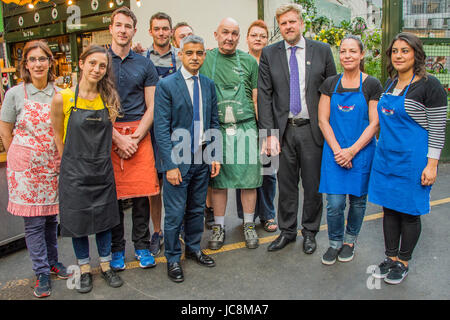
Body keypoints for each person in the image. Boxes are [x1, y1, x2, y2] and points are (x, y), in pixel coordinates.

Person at [369, 32, 447, 284]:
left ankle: (403, 261)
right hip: (386, 158)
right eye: (395, 51)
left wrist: (432, 164)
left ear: (416, 54)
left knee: (409, 213)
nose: (399, 55)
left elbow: (437, 128)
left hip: (413, 161)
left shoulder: (430, 85)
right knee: (389, 209)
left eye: (405, 50)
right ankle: (390, 257)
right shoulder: (391, 83)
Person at [258, 3, 337, 253]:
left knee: (313, 185)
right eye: (283, 23)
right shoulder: (269, 54)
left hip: (313, 129)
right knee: (286, 185)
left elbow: (331, 91)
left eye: (292, 21)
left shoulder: (322, 51)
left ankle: (310, 232)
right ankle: (288, 232)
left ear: (301, 23)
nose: (288, 26)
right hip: (283, 131)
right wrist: (269, 135)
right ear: (279, 27)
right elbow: (264, 95)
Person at [0, 40, 71, 298]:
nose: (38, 64)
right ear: (26, 65)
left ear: (50, 62)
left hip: (52, 165)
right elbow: (5, 130)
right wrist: (20, 157)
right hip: (26, 170)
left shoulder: (60, 92)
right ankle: (41, 270)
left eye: (43, 59)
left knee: (52, 219)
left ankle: (53, 262)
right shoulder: (15, 94)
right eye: (33, 60)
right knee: (33, 223)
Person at [51, 45, 124, 294]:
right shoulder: (64, 98)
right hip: (74, 172)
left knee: (104, 220)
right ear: (81, 63)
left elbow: (107, 132)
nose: (96, 69)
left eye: (102, 66)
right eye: (92, 63)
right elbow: (57, 135)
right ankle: (83, 268)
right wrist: (68, 164)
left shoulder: (109, 99)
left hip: (102, 170)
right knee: (77, 221)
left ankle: (105, 265)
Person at [154, 35, 221, 282]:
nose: (195, 57)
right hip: (177, 159)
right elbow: (161, 129)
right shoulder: (166, 85)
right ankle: (172, 258)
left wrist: (214, 154)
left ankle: (193, 249)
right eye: (190, 52)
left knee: (196, 209)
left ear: (204, 55)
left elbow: (213, 121)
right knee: (174, 213)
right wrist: (169, 165)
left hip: (202, 156)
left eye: (200, 53)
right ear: (180, 54)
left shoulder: (208, 84)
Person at [317, 35, 382, 265]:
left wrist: (352, 151)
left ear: (361, 54)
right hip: (334, 153)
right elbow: (323, 120)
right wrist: (338, 151)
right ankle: (334, 242)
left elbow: (375, 123)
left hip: (361, 152)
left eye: (352, 51)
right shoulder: (330, 84)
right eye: (343, 51)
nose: (347, 55)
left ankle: (350, 240)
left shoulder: (372, 84)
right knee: (334, 203)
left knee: (357, 202)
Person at [200, 17, 262, 250]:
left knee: (249, 181)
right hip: (218, 128)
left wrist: (262, 133)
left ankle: (248, 224)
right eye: (225, 32)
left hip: (246, 126)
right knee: (218, 181)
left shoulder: (249, 62)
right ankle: (218, 226)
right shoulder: (206, 60)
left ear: (239, 36)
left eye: (235, 33)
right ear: (215, 34)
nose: (230, 37)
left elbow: (257, 99)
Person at [108, 7, 160, 271]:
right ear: (111, 28)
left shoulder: (145, 63)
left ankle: (141, 246)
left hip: (139, 133)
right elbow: (91, 103)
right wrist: (117, 138)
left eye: (127, 26)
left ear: (134, 31)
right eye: (118, 25)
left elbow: (152, 105)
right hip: (109, 133)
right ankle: (116, 250)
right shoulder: (99, 60)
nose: (123, 30)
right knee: (114, 198)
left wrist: (136, 137)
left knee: (142, 196)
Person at [146, 12, 183, 256]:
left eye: (165, 28)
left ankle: (176, 231)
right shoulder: (142, 59)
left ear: (171, 31)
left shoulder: (180, 59)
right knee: (154, 186)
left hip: (178, 129)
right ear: (150, 32)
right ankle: (157, 231)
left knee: (178, 182)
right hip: (152, 129)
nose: (161, 32)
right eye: (157, 28)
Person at [235, 19, 277, 233]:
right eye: (254, 35)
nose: (258, 39)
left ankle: (268, 215)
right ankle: (246, 216)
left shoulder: (273, 62)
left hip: (268, 125)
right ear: (247, 38)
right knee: (244, 172)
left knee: (268, 172)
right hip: (245, 126)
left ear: (267, 39)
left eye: (262, 35)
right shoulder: (239, 62)